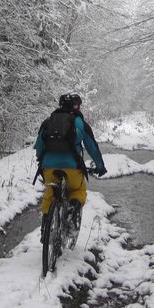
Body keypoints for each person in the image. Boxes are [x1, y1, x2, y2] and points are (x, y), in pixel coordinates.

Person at [34, 93, 107, 229]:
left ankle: (45, 224)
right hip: (72, 166)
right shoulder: (79, 122)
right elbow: (92, 147)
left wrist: (43, 161)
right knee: (78, 189)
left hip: (48, 167)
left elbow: (38, 146)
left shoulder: (48, 121)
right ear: (76, 106)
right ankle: (71, 212)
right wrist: (100, 166)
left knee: (50, 191)